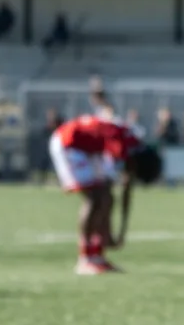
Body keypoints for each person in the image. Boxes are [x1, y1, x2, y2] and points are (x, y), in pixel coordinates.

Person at [49, 114, 163, 275]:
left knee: (106, 197)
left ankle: (97, 255)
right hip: (68, 143)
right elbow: (125, 188)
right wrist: (115, 233)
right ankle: (85, 258)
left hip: (88, 147)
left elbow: (120, 189)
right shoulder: (121, 145)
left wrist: (117, 233)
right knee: (94, 198)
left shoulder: (131, 144)